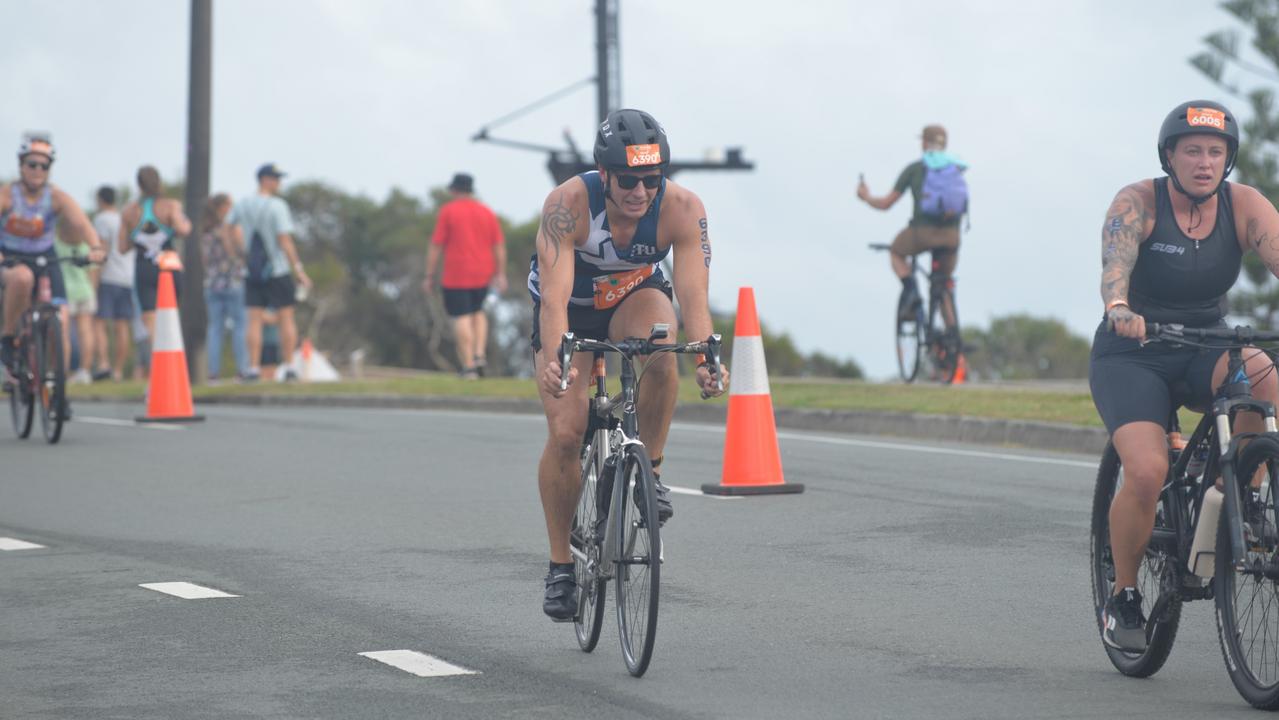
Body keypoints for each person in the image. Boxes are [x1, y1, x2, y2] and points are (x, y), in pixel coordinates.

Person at [1091, 100, 1279, 651]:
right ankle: (1123, 595)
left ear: (1228, 159)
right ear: (1170, 155)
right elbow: (1115, 266)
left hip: (1208, 341)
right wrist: (1119, 306)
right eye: (1192, 150)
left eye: (1215, 152)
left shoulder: (1244, 205)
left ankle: (1235, 494)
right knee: (1147, 472)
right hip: (1134, 352)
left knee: (1268, 379)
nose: (1204, 161)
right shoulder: (1139, 201)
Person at [528, 108, 729, 620]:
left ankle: (650, 473)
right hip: (570, 307)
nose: (640, 192)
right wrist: (557, 358)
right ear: (605, 174)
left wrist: (707, 355)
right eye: (628, 180)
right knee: (568, 434)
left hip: (631, 295)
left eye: (651, 179)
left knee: (664, 349)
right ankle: (559, 567)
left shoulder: (682, 209)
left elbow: (693, 294)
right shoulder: (567, 205)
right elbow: (553, 301)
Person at [0, 132, 105, 419]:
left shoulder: (56, 197)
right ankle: (8, 340)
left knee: (61, 318)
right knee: (22, 278)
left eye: (44, 166)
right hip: (11, 258)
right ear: (21, 166)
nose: (37, 171)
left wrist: (95, 248)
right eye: (32, 164)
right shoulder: (8, 195)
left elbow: (82, 224)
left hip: (46, 259)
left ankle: (59, 392)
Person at [857, 124, 967, 326]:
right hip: (952, 237)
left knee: (896, 251)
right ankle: (954, 344)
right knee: (943, 284)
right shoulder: (956, 170)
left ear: (924, 143)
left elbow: (886, 204)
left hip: (922, 234)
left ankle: (911, 292)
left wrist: (866, 197)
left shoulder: (916, 169)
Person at [229, 163, 311, 382]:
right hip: (278, 269)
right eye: (275, 178)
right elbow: (284, 240)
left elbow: (228, 228)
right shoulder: (277, 206)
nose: (278, 183)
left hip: (251, 271)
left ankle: (253, 368)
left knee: (253, 320)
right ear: (265, 179)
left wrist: (237, 254)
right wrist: (299, 269)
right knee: (286, 317)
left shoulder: (243, 204)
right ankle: (290, 366)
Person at [423, 173, 507, 379]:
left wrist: (429, 274)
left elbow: (436, 245)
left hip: (456, 274)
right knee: (478, 312)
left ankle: (469, 366)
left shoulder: (448, 212)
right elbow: (499, 246)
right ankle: (479, 355)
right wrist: (500, 273)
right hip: (483, 273)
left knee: (460, 317)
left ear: (454, 190)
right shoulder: (486, 212)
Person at [119, 166, 192, 342]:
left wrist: (140, 237)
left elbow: (122, 247)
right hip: (169, 264)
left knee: (151, 321)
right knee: (171, 315)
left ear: (139, 185)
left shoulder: (129, 211)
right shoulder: (171, 206)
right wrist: (186, 223)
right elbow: (183, 230)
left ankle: (157, 360)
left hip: (144, 267)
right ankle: (173, 355)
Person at [198, 194, 249, 383]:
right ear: (223, 207)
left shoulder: (205, 230)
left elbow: (204, 259)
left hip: (212, 283)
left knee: (215, 329)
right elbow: (239, 251)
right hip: (233, 281)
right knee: (239, 326)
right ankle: (241, 371)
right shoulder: (230, 228)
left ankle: (213, 374)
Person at [91, 185, 133, 381]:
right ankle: (118, 371)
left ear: (100, 200)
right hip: (127, 278)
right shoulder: (123, 219)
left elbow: (102, 250)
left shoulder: (101, 219)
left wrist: (94, 279)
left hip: (109, 277)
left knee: (99, 322)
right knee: (122, 326)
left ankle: (103, 363)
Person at [55, 230, 96, 384]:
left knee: (63, 332)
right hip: (85, 290)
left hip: (64, 291)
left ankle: (62, 371)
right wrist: (93, 291)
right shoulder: (85, 247)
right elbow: (92, 273)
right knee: (85, 332)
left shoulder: (56, 243)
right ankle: (85, 371)